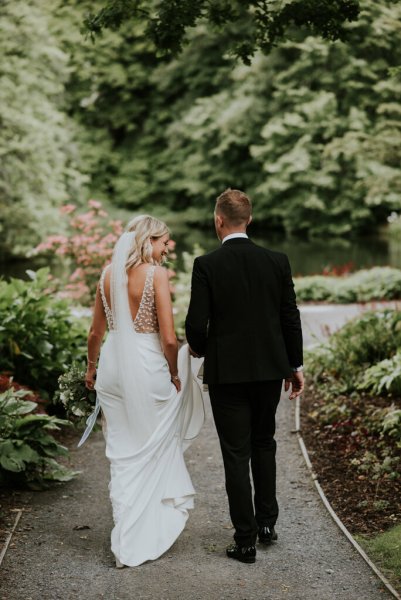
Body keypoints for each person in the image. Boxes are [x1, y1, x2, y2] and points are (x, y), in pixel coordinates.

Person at [185, 189, 304, 564]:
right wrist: (294, 365)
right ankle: (267, 523)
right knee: (263, 441)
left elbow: (195, 324)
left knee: (235, 453)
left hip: (228, 374)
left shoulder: (207, 264)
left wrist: (201, 349)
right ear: (248, 220)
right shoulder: (277, 261)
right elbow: (290, 316)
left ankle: (246, 540)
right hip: (270, 370)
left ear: (219, 219)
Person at [84, 215, 204, 568]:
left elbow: (94, 334)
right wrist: (173, 370)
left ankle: (126, 526)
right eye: (163, 241)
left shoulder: (107, 274)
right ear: (147, 240)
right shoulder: (156, 275)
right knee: (152, 446)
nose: (167, 248)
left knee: (121, 450)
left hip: (112, 369)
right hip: (149, 367)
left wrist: (90, 369)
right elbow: (168, 338)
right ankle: (142, 532)